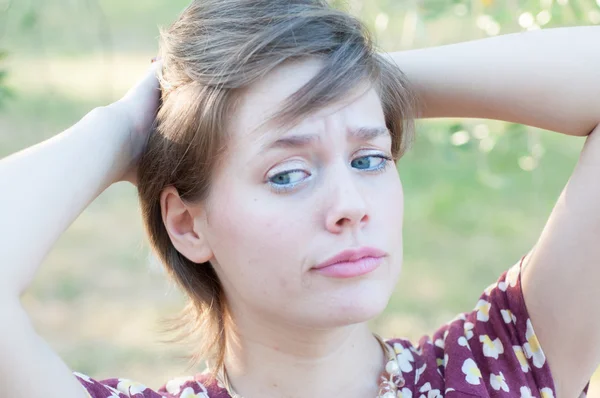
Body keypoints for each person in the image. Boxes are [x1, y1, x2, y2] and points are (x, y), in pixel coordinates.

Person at [1, 0, 599, 396]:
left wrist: (357, 81)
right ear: (187, 224)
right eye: (288, 174)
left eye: (369, 158)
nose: (350, 204)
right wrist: (127, 128)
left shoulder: (498, 368)